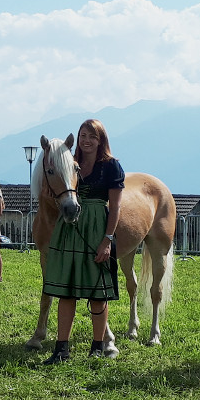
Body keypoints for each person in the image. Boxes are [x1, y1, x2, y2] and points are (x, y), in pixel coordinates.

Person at [42, 119, 123, 363]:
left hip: (97, 226)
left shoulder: (111, 167)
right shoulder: (70, 161)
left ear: (101, 140)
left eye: (92, 136)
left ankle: (97, 348)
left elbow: (116, 207)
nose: (86, 140)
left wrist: (107, 240)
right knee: (66, 290)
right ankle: (61, 349)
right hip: (70, 227)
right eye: (83, 135)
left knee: (98, 293)